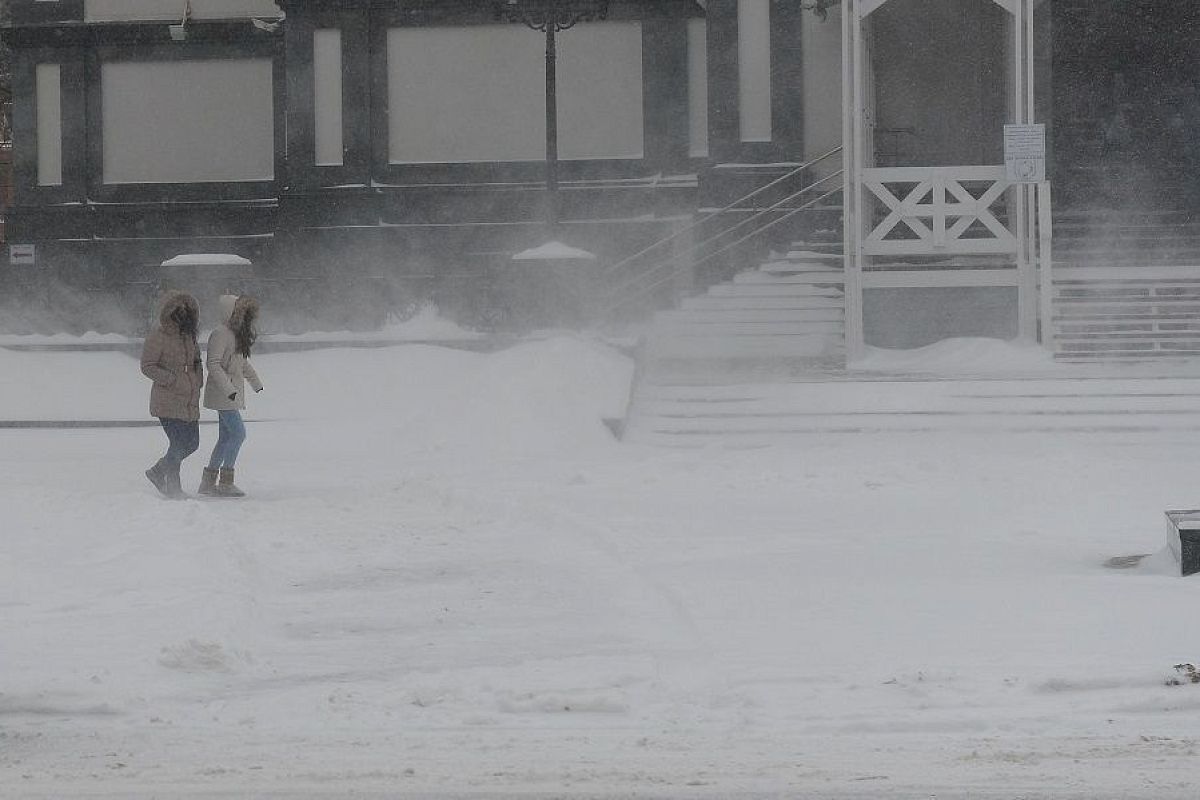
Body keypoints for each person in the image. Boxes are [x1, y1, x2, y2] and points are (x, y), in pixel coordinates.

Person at [140, 290, 204, 499]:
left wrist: (198, 379)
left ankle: (158, 472)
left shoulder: (190, 336)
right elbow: (148, 366)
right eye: (179, 312)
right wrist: (172, 380)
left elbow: (197, 361)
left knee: (192, 443)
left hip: (189, 399)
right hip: (167, 399)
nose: (184, 317)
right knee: (178, 442)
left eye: (188, 312)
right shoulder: (158, 336)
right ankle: (173, 486)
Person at [201, 294, 264, 497]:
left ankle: (208, 482)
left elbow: (241, 362)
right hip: (223, 394)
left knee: (225, 437)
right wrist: (228, 389)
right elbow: (213, 363)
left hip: (230, 394)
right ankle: (226, 482)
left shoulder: (235, 334)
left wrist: (255, 382)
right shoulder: (220, 334)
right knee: (238, 434)